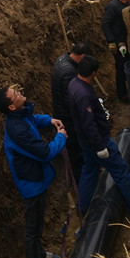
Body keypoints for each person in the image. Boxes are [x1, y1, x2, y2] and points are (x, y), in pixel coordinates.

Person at [0, 84, 67, 258]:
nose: (19, 93)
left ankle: (41, 255)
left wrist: (50, 121)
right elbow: (45, 153)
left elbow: (33, 119)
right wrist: (61, 137)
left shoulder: (20, 116)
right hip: (31, 183)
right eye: (15, 94)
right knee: (32, 232)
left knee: (37, 223)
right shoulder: (17, 131)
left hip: (37, 178)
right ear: (11, 106)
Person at [68, 56, 130, 217]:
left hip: (84, 140)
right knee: (120, 170)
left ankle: (82, 207)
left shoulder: (73, 84)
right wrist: (100, 147)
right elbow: (89, 124)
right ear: (93, 73)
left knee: (89, 170)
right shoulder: (83, 95)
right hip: (98, 141)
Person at [50, 42, 91, 183]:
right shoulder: (70, 72)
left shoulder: (61, 60)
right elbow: (71, 99)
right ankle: (81, 179)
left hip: (60, 111)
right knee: (75, 149)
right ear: (83, 56)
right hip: (67, 116)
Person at [101, 0, 130, 103]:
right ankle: (122, 94)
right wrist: (111, 41)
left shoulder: (129, 3)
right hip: (118, 43)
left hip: (127, 39)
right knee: (121, 68)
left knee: (129, 64)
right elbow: (105, 24)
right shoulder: (112, 6)